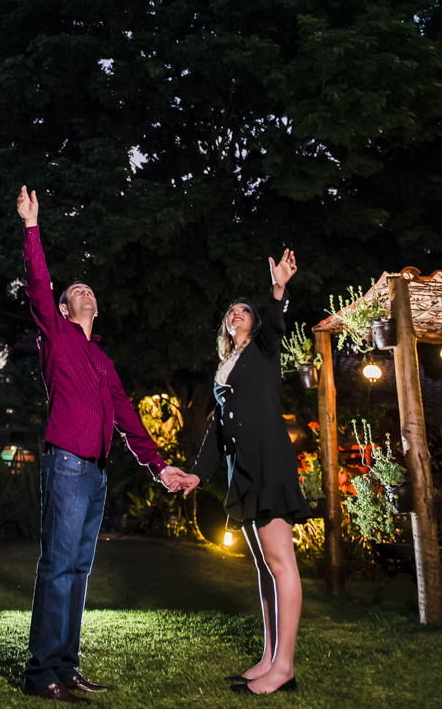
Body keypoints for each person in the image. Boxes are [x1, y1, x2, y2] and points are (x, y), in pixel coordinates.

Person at [17, 186, 185, 703]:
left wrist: (159, 467)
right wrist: (31, 227)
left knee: (78, 570)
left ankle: (67, 668)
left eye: (90, 289)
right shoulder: (55, 335)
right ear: (64, 307)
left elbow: (128, 419)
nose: (85, 291)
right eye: (76, 289)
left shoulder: (105, 362)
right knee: (58, 567)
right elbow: (39, 285)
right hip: (67, 466)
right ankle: (41, 673)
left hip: (95, 474)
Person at [177, 250, 310, 696]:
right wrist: (198, 475)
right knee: (263, 566)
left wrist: (278, 289)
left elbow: (276, 323)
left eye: (244, 310)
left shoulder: (264, 349)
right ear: (225, 326)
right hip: (243, 471)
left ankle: (284, 668)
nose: (237, 312)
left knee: (281, 562)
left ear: (254, 322)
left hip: (269, 461)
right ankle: (269, 657)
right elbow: (217, 430)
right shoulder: (224, 369)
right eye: (232, 310)